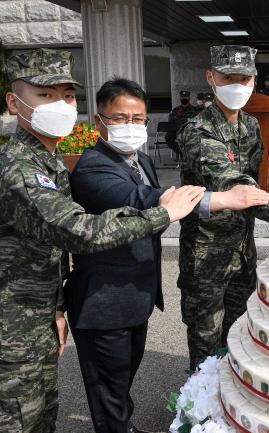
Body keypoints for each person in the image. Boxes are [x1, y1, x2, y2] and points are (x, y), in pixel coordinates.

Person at [0, 48, 201, 433]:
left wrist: (56, 308)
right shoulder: (20, 169)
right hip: (13, 322)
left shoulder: (50, 161)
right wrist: (164, 212)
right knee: (19, 417)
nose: (59, 105)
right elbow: (78, 232)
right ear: (14, 101)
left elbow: (47, 251)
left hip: (35, 315)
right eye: (44, 95)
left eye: (67, 96)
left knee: (43, 413)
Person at [65, 78, 269, 433]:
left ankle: (123, 426)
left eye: (137, 118)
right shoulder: (92, 166)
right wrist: (221, 199)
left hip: (135, 294)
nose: (130, 126)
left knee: (122, 378)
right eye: (119, 118)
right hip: (104, 300)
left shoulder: (141, 160)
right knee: (108, 388)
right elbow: (143, 201)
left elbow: (153, 215)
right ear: (98, 121)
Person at [176, 45, 269, 370]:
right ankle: (200, 412)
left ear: (253, 81)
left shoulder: (250, 125)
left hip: (241, 252)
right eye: (227, 77)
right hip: (206, 256)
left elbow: (253, 183)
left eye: (244, 78)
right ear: (211, 78)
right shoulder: (197, 130)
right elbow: (235, 183)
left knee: (238, 336)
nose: (237, 85)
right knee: (206, 345)